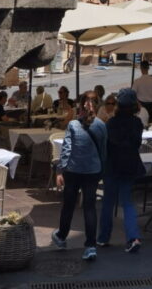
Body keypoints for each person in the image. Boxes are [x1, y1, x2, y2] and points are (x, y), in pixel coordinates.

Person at [52, 92, 106, 262]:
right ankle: (90, 246)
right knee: (90, 207)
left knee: (68, 205)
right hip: (93, 171)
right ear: (97, 106)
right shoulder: (102, 125)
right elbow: (104, 151)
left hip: (73, 171)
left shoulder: (73, 125)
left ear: (80, 105)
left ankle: (61, 236)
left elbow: (66, 150)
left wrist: (60, 170)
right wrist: (101, 170)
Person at [97, 88, 145, 254]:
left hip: (112, 166)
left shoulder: (111, 124)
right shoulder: (137, 123)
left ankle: (103, 238)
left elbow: (106, 147)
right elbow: (136, 144)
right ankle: (133, 237)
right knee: (128, 202)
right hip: (130, 165)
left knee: (108, 203)